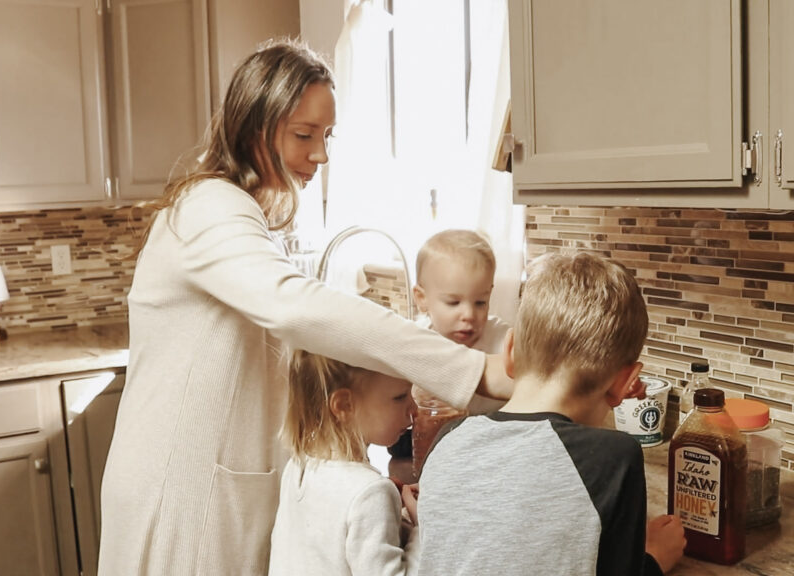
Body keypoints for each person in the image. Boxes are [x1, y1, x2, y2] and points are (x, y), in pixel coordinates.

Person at [97, 39, 515, 575]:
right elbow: (296, 308)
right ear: (254, 127)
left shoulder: (243, 215)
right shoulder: (209, 208)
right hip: (181, 490)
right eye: (304, 134)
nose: (320, 154)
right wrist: (475, 370)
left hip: (215, 488)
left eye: (326, 135)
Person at [416, 252, 686, 576]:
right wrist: (654, 558)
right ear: (624, 383)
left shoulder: (448, 440)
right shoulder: (614, 458)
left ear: (510, 352)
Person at [269, 350, 421, 575]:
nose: (415, 410)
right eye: (399, 397)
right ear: (344, 405)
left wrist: (392, 518)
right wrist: (422, 528)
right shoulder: (370, 492)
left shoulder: (298, 465)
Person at [413, 229, 511, 414]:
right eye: (453, 302)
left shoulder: (502, 340)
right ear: (421, 298)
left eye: (480, 302)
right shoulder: (414, 341)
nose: (469, 314)